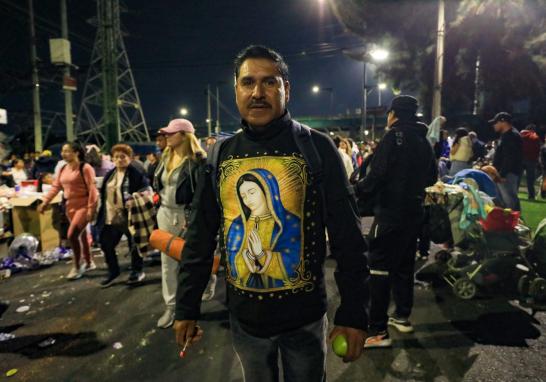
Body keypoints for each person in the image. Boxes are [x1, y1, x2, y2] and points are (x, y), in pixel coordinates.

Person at [174, 45, 369, 381]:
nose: (257, 93)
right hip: (245, 323)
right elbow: (201, 235)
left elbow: (348, 237)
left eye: (269, 83)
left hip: (304, 321)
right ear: (236, 90)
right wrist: (186, 306)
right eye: (248, 82)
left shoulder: (318, 148)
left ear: (286, 89)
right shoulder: (220, 154)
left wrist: (353, 314)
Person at [355, 95, 437, 348]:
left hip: (390, 213)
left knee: (378, 268)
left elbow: (377, 174)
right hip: (414, 213)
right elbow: (432, 176)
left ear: (393, 114)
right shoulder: (423, 141)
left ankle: (377, 331)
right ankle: (402, 316)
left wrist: (357, 190)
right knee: (403, 265)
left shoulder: (394, 136)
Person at [154, 118, 207, 329]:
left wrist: (192, 220)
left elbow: (201, 196)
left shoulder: (198, 160)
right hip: (165, 214)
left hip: (186, 216)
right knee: (168, 265)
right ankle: (171, 307)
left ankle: (205, 284)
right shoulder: (165, 157)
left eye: (170, 133)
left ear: (184, 135)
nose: (166, 136)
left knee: (191, 261)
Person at [38, 142, 98, 280]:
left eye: (67, 151)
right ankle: (89, 262)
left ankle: (77, 266)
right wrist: (45, 202)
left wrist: (91, 209)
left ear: (76, 152)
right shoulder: (63, 168)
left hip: (84, 205)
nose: (63, 153)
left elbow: (93, 190)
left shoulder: (86, 167)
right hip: (70, 206)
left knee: (72, 235)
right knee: (81, 235)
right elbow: (56, 187)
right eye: (62, 151)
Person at [96, 144, 150, 287]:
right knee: (106, 243)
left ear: (130, 158)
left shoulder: (136, 173)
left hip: (130, 217)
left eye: (123, 157)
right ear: (112, 159)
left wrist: (134, 198)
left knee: (134, 245)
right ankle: (113, 271)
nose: (119, 160)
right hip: (111, 216)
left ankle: (137, 271)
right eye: (116, 157)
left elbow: (146, 189)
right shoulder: (110, 174)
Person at [490, 112, 523, 211]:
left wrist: (502, 174)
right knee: (505, 201)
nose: (494, 125)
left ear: (503, 122)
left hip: (508, 174)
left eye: (496, 122)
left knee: (509, 201)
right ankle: (511, 222)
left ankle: (513, 222)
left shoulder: (511, 136)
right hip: (504, 173)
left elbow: (510, 157)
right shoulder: (507, 135)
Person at [520, 124, 541, 200]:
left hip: (520, 159)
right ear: (533, 129)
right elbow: (537, 149)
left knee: (518, 178)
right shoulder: (535, 136)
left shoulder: (520, 135)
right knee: (530, 180)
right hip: (531, 160)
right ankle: (531, 195)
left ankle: (513, 193)